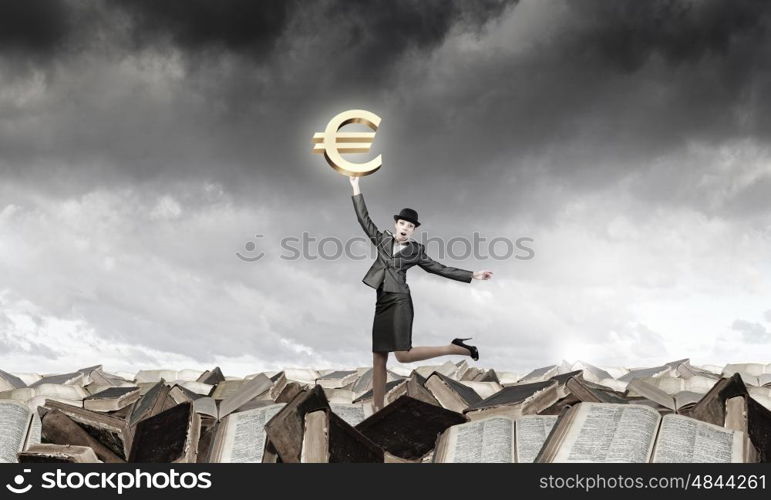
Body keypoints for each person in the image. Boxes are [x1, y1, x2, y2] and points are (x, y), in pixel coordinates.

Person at [349, 175, 493, 412]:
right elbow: (363, 218)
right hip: (382, 302)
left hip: (400, 302)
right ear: (396, 224)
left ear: (414, 231)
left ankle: (453, 348)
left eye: (410, 226)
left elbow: (439, 268)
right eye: (403, 224)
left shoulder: (416, 252)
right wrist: (355, 186)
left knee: (402, 356)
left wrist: (472, 274)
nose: (406, 228)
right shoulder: (382, 239)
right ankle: (377, 408)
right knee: (378, 357)